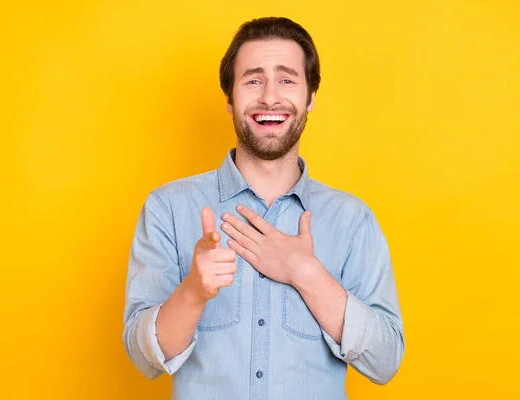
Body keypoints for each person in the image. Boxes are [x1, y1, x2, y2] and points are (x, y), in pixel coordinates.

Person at [122, 16, 404, 400]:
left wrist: (306, 273)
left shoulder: (353, 220)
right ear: (229, 98)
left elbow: (385, 361)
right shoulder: (167, 208)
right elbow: (143, 360)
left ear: (310, 98)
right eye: (253, 80)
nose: (270, 97)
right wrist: (193, 292)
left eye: (287, 80)